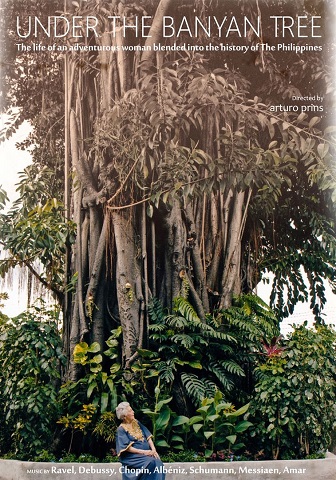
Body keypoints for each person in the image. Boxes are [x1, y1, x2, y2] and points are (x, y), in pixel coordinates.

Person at [115, 402, 166, 480]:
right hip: (131, 457)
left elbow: (148, 437)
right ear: (125, 415)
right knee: (151, 463)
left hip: (145, 454)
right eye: (130, 411)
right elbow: (128, 448)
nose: (133, 412)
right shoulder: (121, 429)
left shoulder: (136, 422)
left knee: (159, 464)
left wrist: (153, 450)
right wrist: (145, 452)